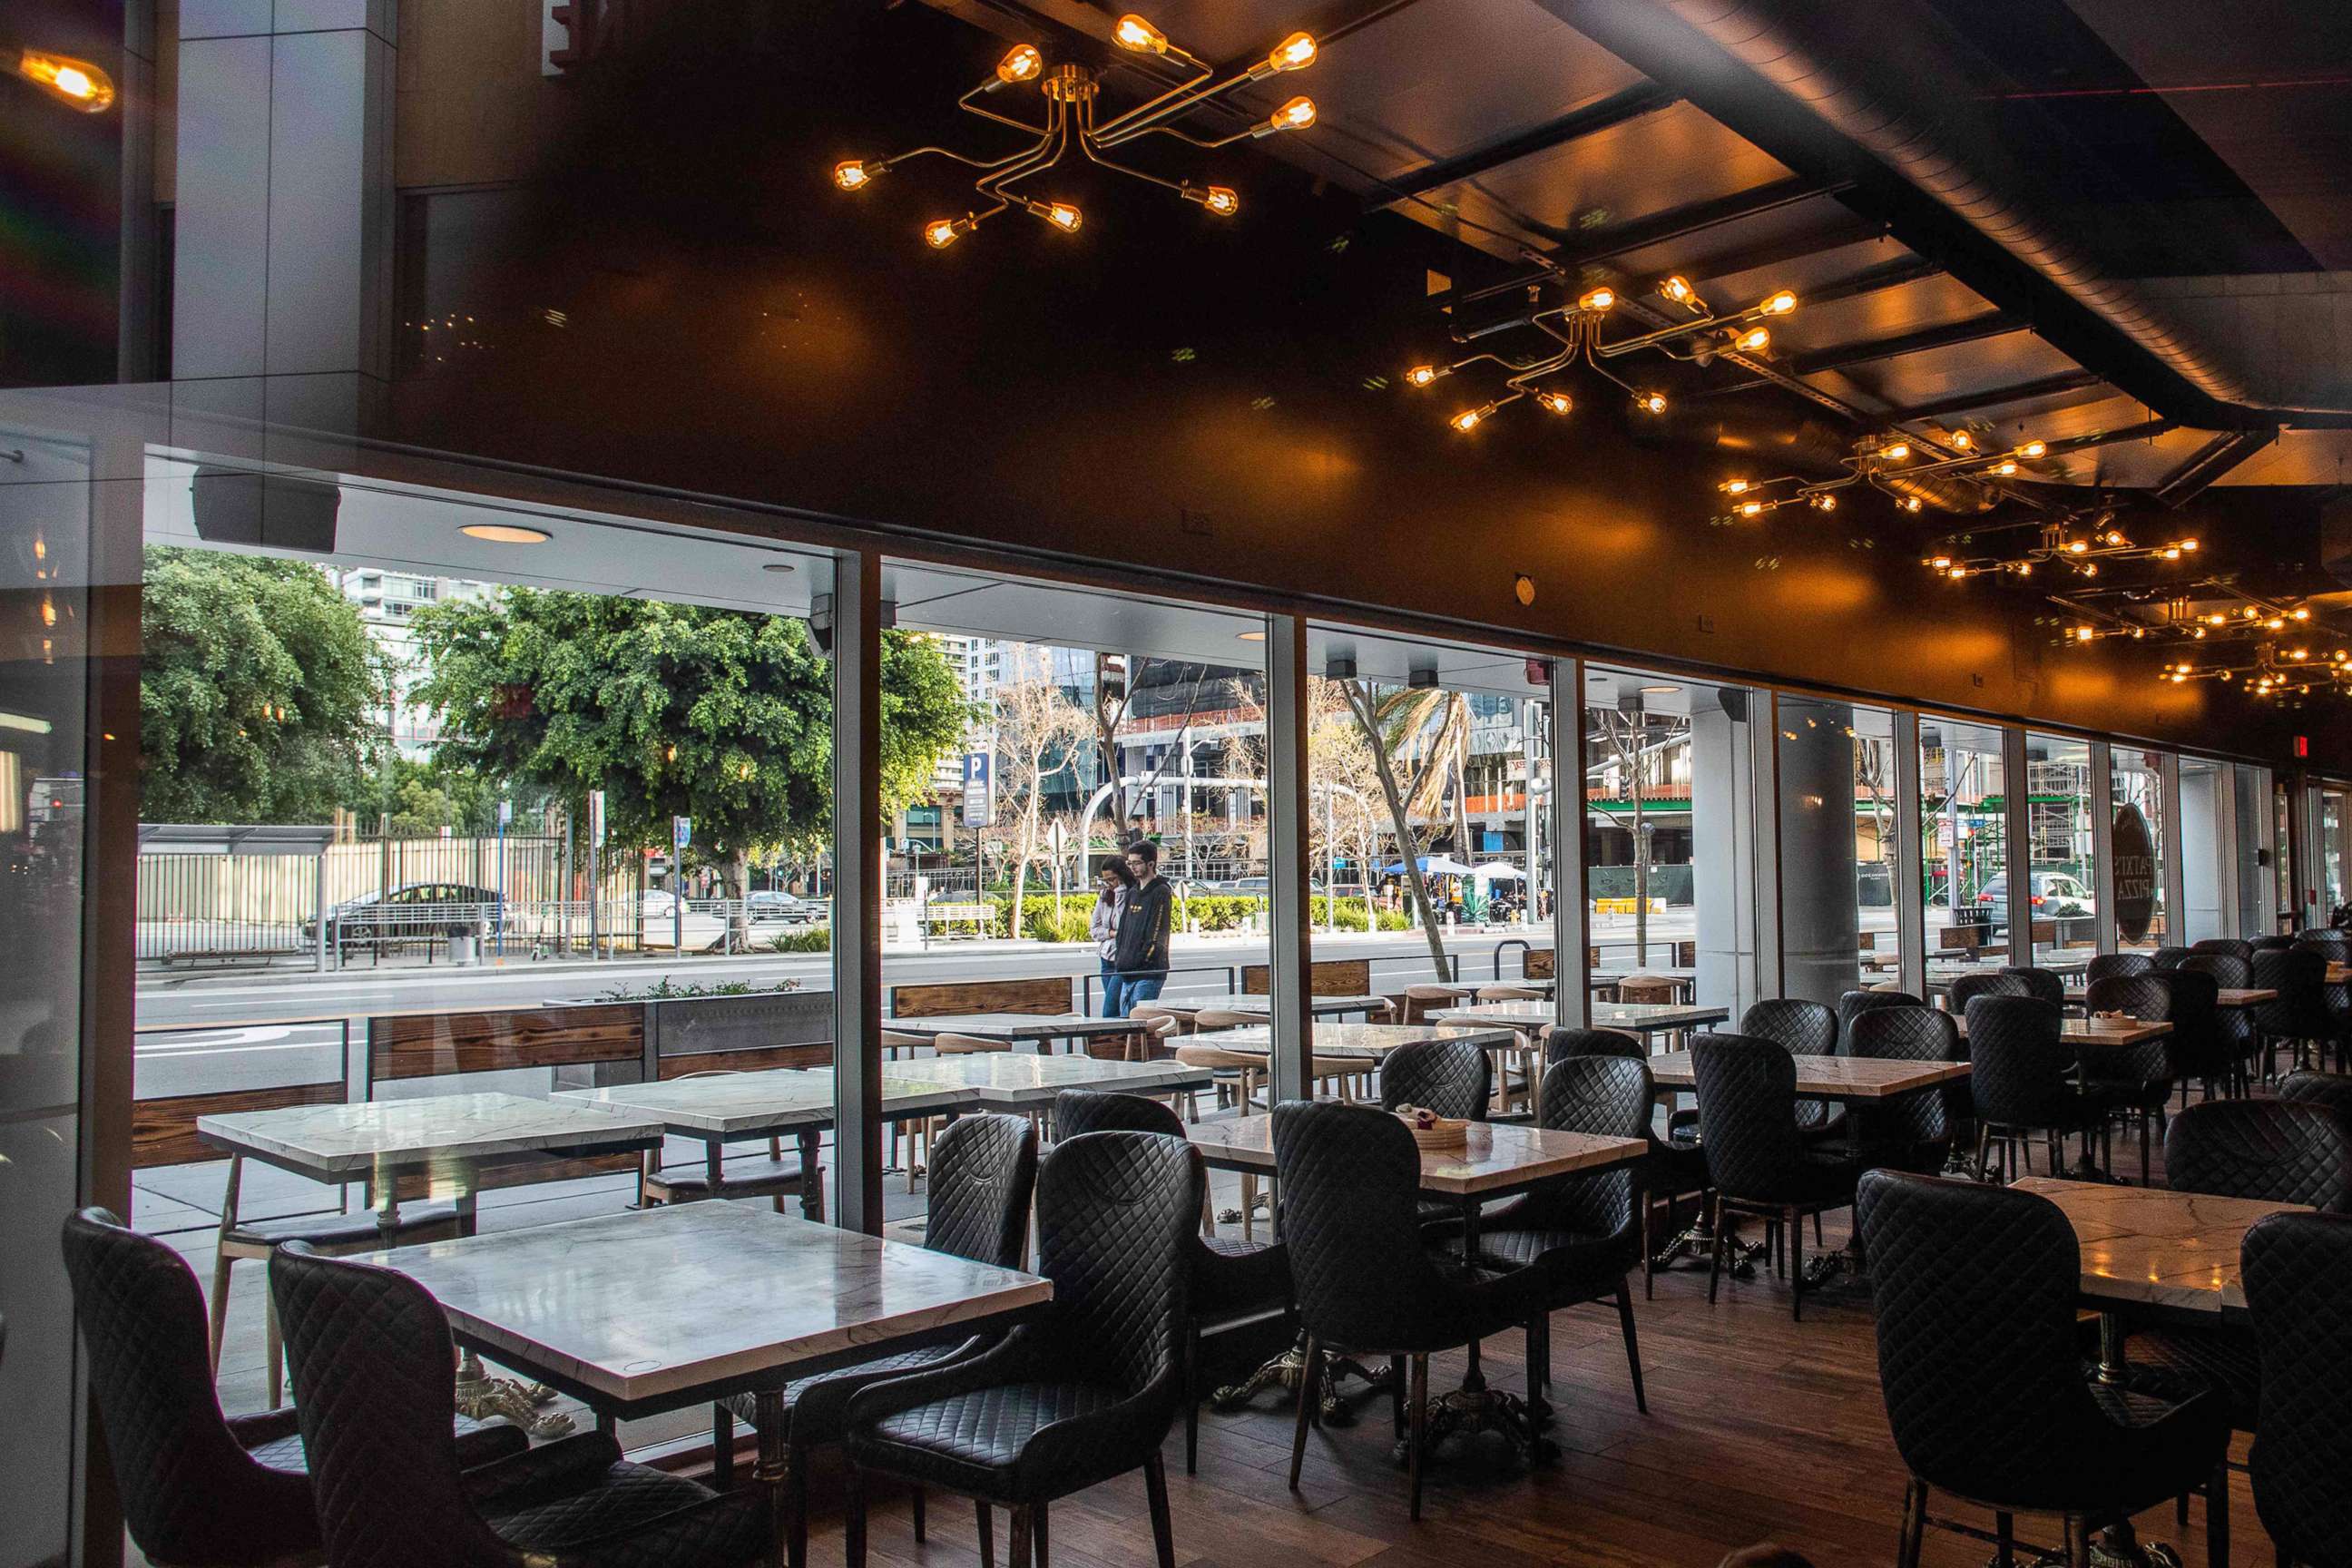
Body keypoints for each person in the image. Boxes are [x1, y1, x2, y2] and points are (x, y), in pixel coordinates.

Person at [1112, 838, 1174, 1017]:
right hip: (1127, 971)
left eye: (1137, 863)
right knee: (1127, 1022)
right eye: (1130, 863)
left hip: (1149, 972)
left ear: (1151, 863)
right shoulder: (1133, 892)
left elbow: (1157, 932)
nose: (1132, 867)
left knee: (1141, 1023)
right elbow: (1122, 930)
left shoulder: (1161, 891)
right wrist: (1120, 958)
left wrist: (1143, 959)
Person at [1090, 857, 1136, 1016]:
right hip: (1106, 957)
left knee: (1109, 1009)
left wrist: (1120, 893)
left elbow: (1126, 924)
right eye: (1106, 880)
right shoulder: (1104, 896)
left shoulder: (1131, 894)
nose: (1110, 884)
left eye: (1112, 879)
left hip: (1121, 958)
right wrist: (1112, 933)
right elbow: (1095, 930)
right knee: (1114, 1007)